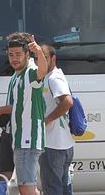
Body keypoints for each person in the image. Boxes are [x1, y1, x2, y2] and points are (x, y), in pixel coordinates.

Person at [0, 33, 48, 195]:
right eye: (11, 55)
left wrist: (39, 52)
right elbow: (18, 106)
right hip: (19, 139)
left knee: (26, 188)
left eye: (19, 54)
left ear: (28, 54)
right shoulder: (17, 75)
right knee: (23, 188)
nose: (14, 58)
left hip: (28, 139)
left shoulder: (30, 72)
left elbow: (42, 71)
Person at [38, 44, 75, 195]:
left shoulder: (53, 78)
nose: (41, 61)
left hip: (53, 145)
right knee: (64, 187)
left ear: (53, 59)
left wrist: (47, 119)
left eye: (44, 58)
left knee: (52, 188)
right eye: (38, 58)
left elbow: (67, 102)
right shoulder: (49, 76)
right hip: (62, 144)